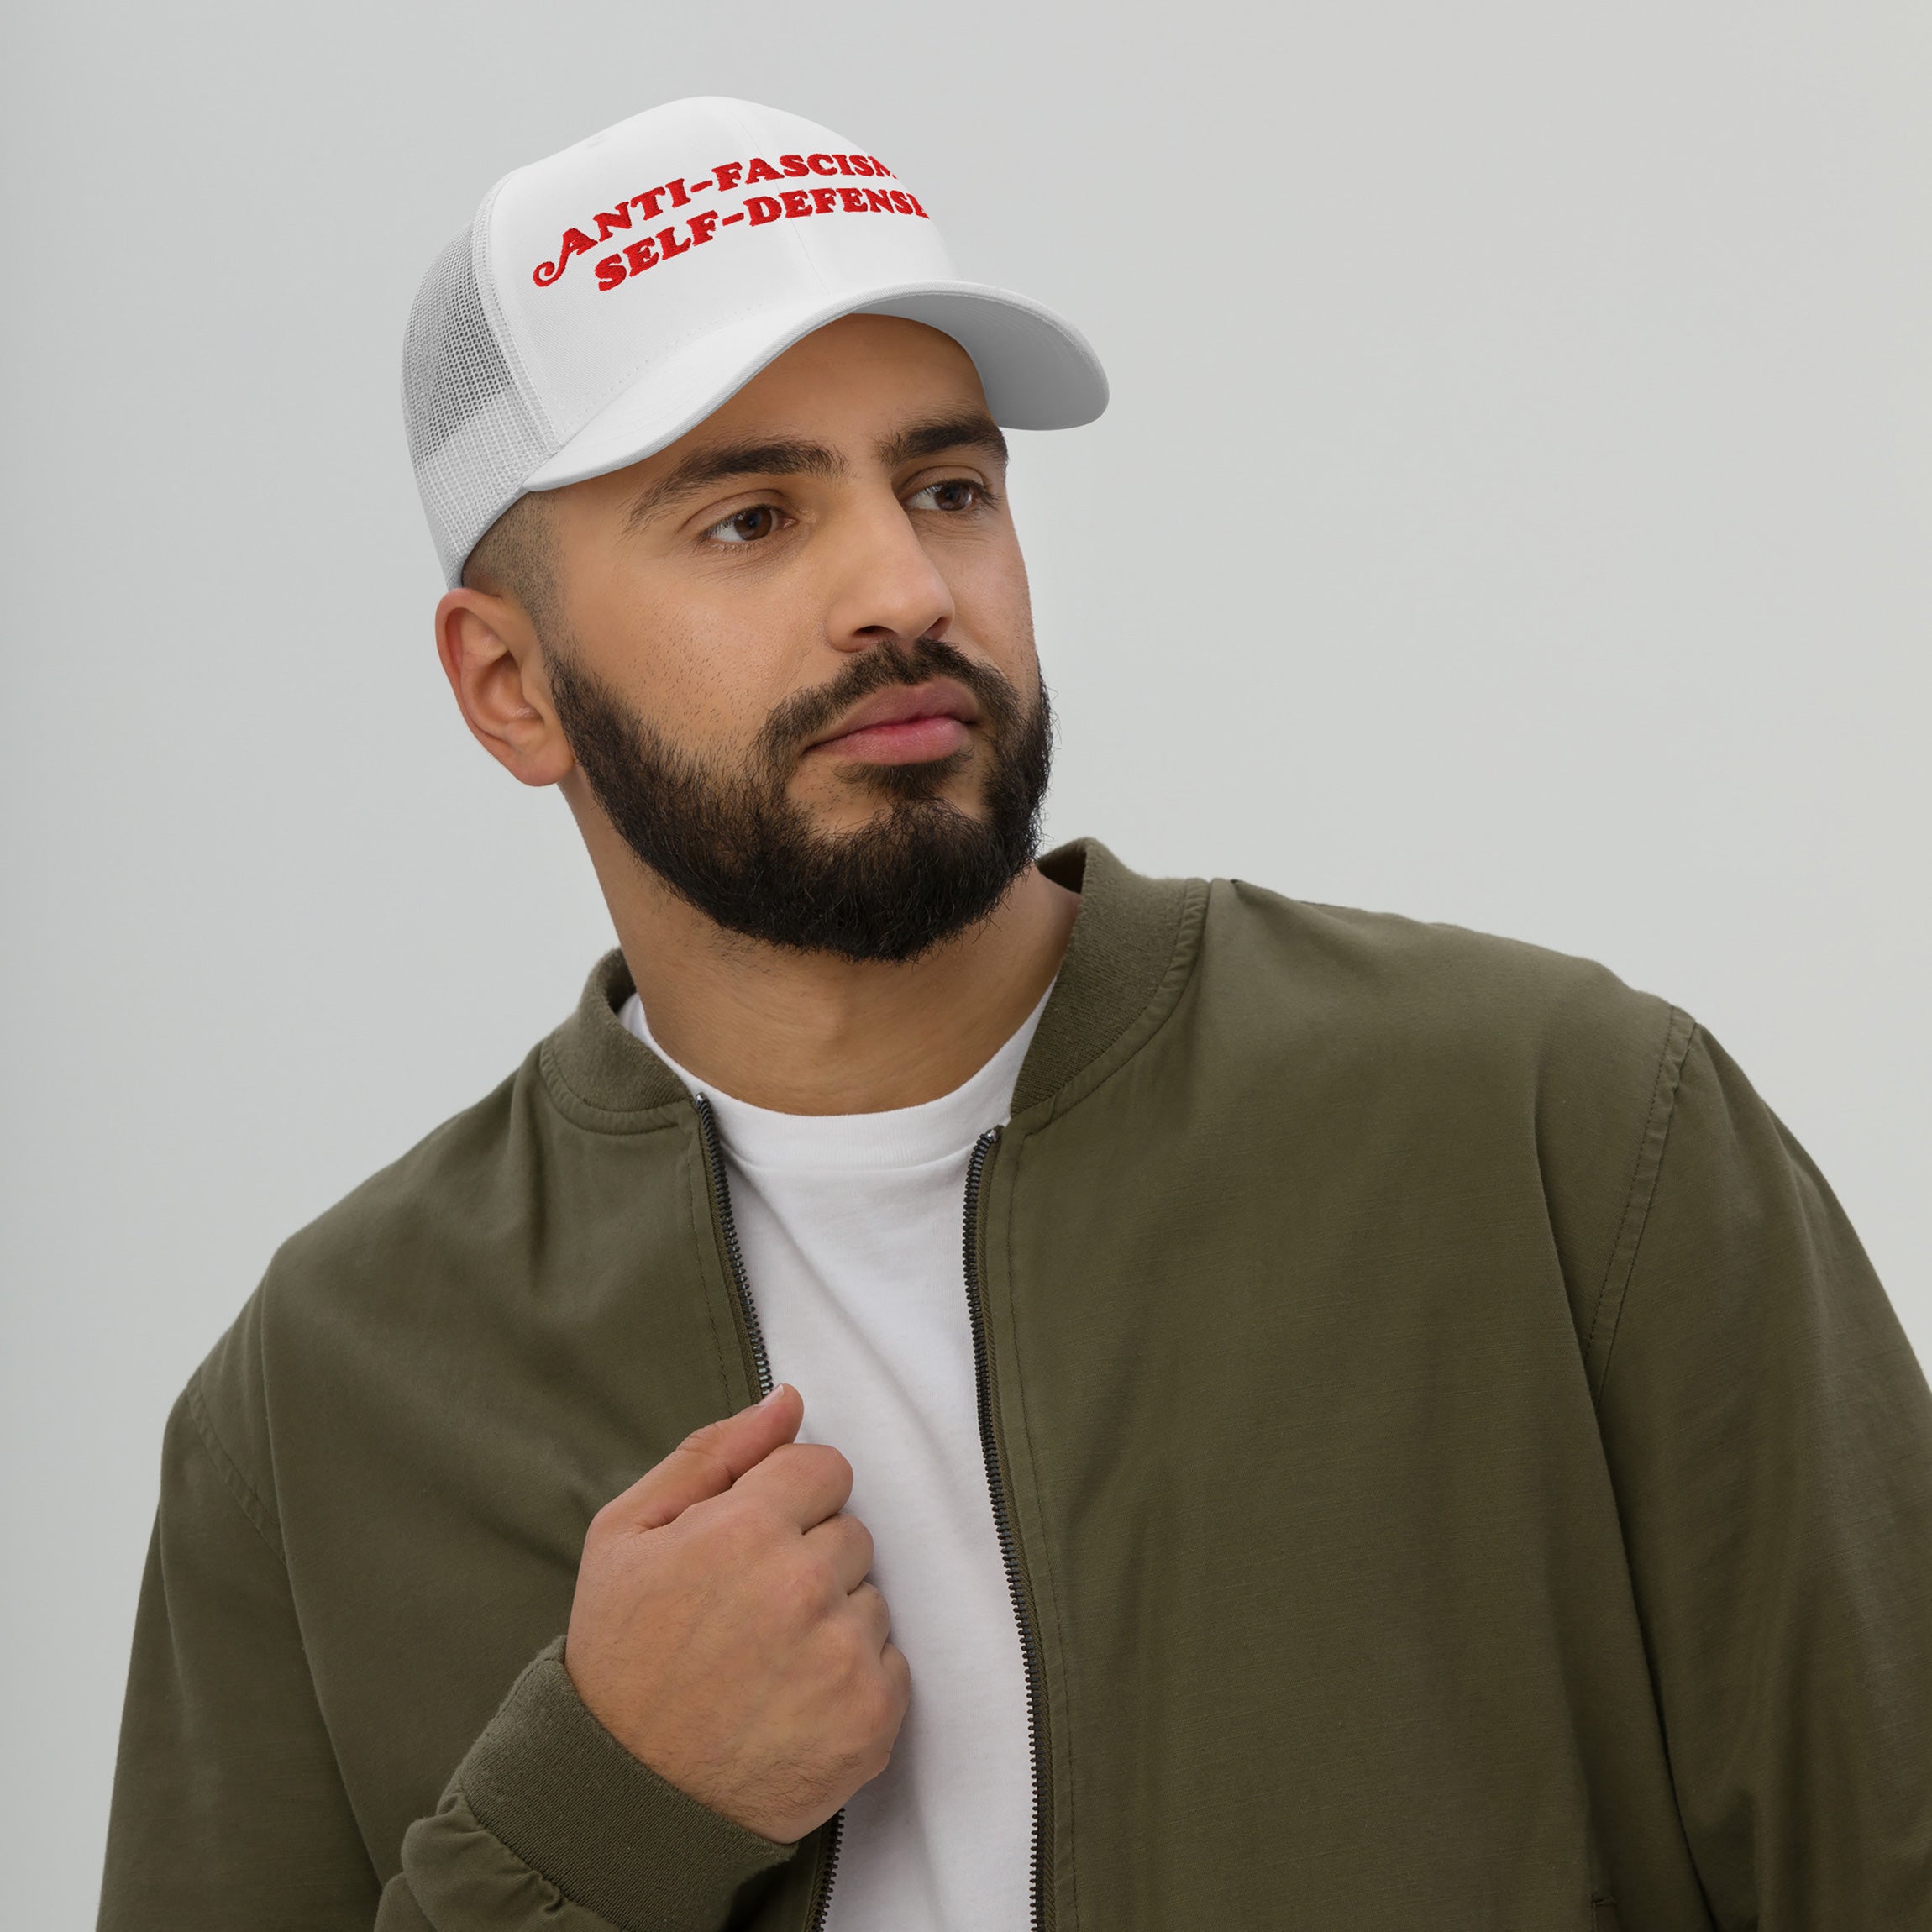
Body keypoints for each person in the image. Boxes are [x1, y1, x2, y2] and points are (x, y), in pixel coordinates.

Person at [98, 94, 1931, 1932]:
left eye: (948, 487)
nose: (904, 590)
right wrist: (594, 1815)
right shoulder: (324, 1404)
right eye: (750, 518)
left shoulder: (1561, 1142)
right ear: (510, 687)